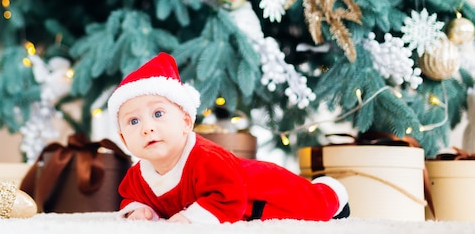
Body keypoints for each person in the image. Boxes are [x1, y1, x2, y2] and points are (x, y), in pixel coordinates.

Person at [107, 52, 349, 224]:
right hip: (241, 202)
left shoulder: (205, 159)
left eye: (158, 113)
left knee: (313, 207)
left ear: (186, 122)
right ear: (124, 139)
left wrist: (192, 219)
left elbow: (229, 194)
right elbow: (131, 196)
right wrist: (139, 210)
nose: (147, 128)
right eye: (133, 121)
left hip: (260, 188)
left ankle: (332, 192)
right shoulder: (138, 175)